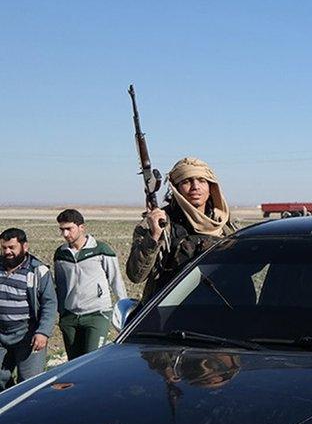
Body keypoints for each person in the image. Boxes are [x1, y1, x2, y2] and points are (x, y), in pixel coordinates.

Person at [127, 157, 238, 300]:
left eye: (202, 180)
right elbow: (136, 275)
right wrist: (154, 237)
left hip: (219, 306)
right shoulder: (159, 223)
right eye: (186, 181)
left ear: (211, 187)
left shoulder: (226, 224)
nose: (195, 187)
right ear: (175, 189)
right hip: (172, 310)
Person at [53, 209, 128, 359]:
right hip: (70, 317)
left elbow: (116, 281)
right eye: (62, 230)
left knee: (93, 360)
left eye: (69, 229)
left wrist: (125, 314)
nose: (65, 234)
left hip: (97, 314)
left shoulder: (101, 250)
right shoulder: (61, 254)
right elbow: (60, 286)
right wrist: (62, 314)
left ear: (82, 227)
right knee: (74, 363)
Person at [0, 228, 56, 388]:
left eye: (12, 247)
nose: (7, 252)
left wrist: (43, 332)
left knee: (30, 384)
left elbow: (50, 304)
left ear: (25, 247)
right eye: (4, 248)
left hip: (28, 335)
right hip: (1, 334)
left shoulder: (38, 271)